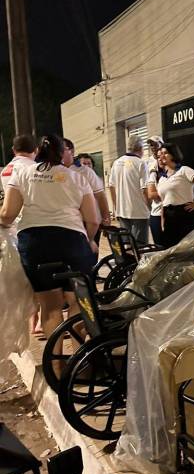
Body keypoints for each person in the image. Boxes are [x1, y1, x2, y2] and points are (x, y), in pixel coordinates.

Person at [0, 134, 99, 346]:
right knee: (76, 301)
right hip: (71, 242)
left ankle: (57, 362)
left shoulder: (22, 174)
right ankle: (79, 356)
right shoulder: (77, 178)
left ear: (38, 151)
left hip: (35, 244)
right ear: (62, 153)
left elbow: (7, 214)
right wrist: (89, 240)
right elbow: (93, 220)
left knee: (50, 306)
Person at [156, 143, 194, 247]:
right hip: (168, 216)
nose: (162, 156)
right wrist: (162, 222)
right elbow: (163, 202)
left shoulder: (184, 170)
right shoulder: (162, 178)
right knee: (171, 248)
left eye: (165, 153)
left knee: (188, 248)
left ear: (173, 154)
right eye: (161, 154)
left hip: (184, 213)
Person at [63, 139, 110, 243]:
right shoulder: (55, 171)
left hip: (88, 221)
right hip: (69, 221)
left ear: (72, 151)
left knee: (90, 249)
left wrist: (106, 217)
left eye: (62, 149)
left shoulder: (85, 171)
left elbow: (100, 196)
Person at [108, 135, 150, 243]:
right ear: (141, 148)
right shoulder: (141, 163)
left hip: (122, 210)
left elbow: (111, 186)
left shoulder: (117, 162)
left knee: (126, 244)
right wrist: (149, 207)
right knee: (140, 246)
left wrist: (116, 207)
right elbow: (144, 189)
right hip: (139, 211)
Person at [146, 136, 165, 245]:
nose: (153, 147)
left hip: (169, 210)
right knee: (159, 245)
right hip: (156, 209)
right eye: (151, 145)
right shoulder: (149, 163)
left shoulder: (168, 161)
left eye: (155, 144)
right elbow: (150, 192)